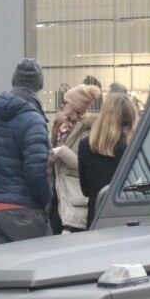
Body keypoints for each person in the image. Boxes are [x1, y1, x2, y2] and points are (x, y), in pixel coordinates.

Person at [0, 58, 53, 246]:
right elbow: (35, 172)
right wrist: (46, 199)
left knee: (0, 272)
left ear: (14, 81)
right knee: (41, 265)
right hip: (24, 211)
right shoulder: (34, 119)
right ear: (39, 85)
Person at [78, 90, 138, 226]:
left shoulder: (87, 146)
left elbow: (85, 190)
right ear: (132, 115)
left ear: (104, 115)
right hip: (132, 218)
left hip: (98, 218)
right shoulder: (136, 145)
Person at [49, 83, 101, 232]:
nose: (62, 105)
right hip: (60, 194)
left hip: (74, 195)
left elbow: (82, 164)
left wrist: (61, 151)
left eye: (65, 102)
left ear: (75, 105)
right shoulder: (65, 127)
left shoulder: (87, 132)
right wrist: (55, 131)